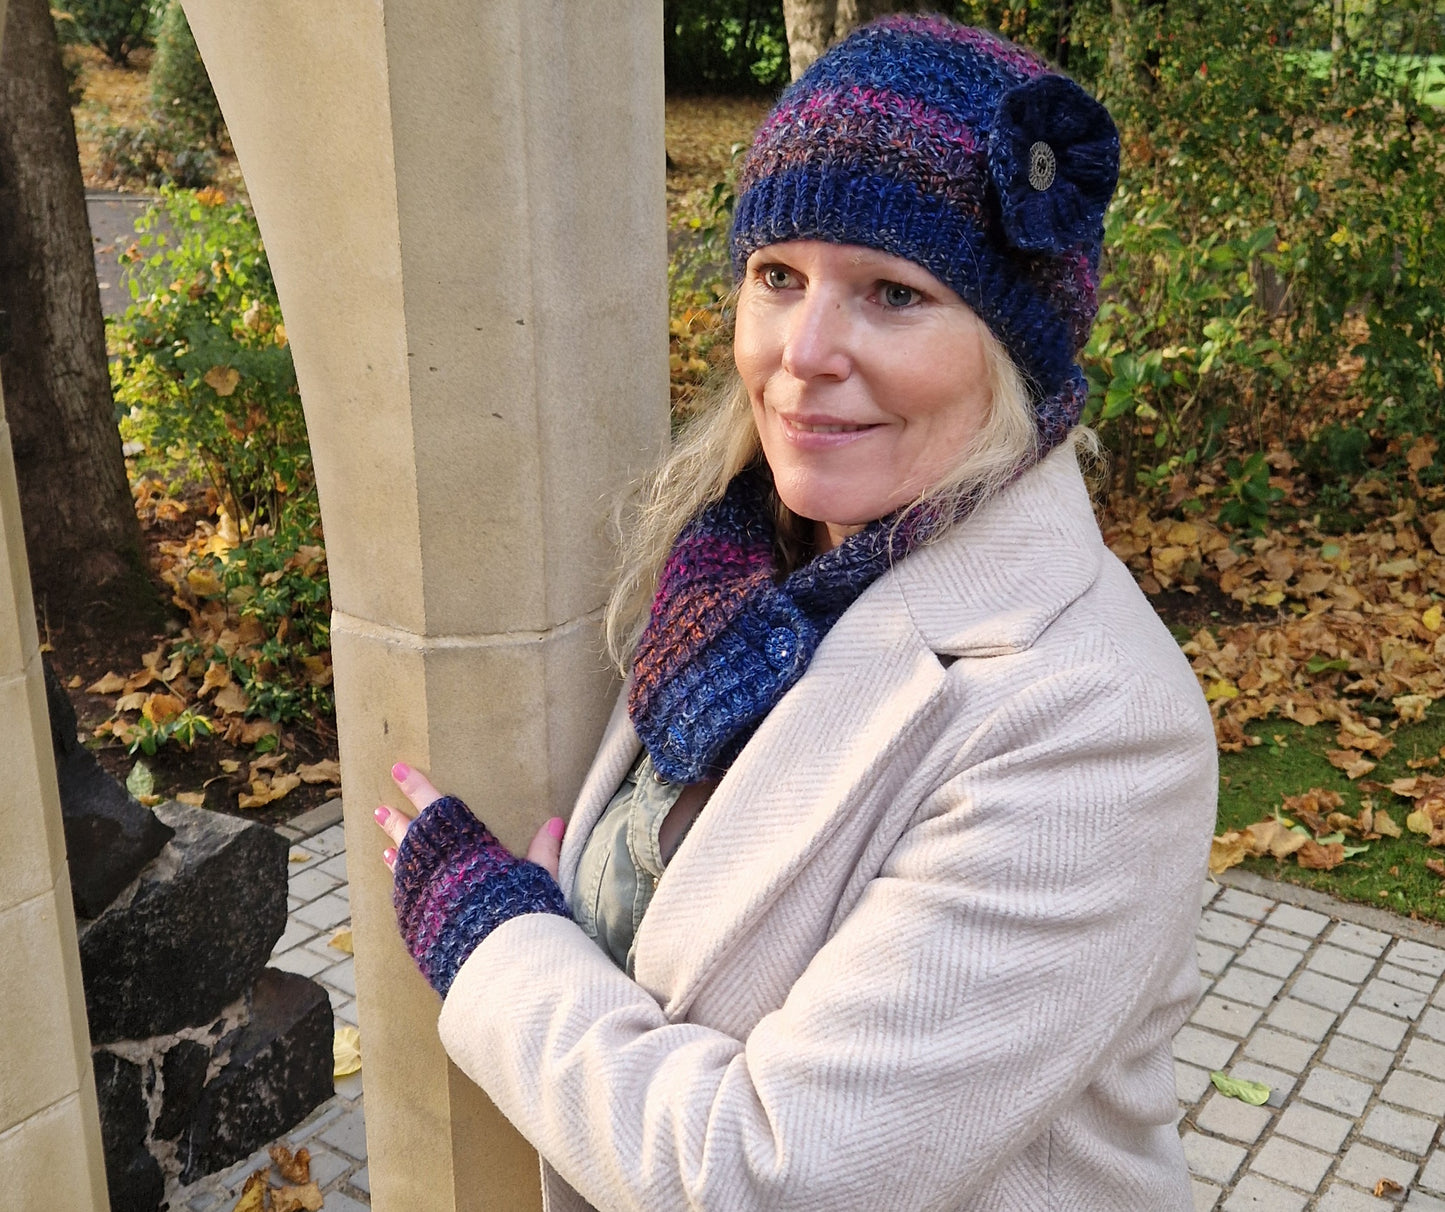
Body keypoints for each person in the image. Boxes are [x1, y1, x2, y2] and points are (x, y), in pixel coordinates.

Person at [373, 15, 1216, 1211]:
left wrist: (498, 950)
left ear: (1011, 353)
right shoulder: (736, 569)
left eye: (892, 292)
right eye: (778, 277)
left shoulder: (1095, 728)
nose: (802, 353)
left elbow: (776, 1177)